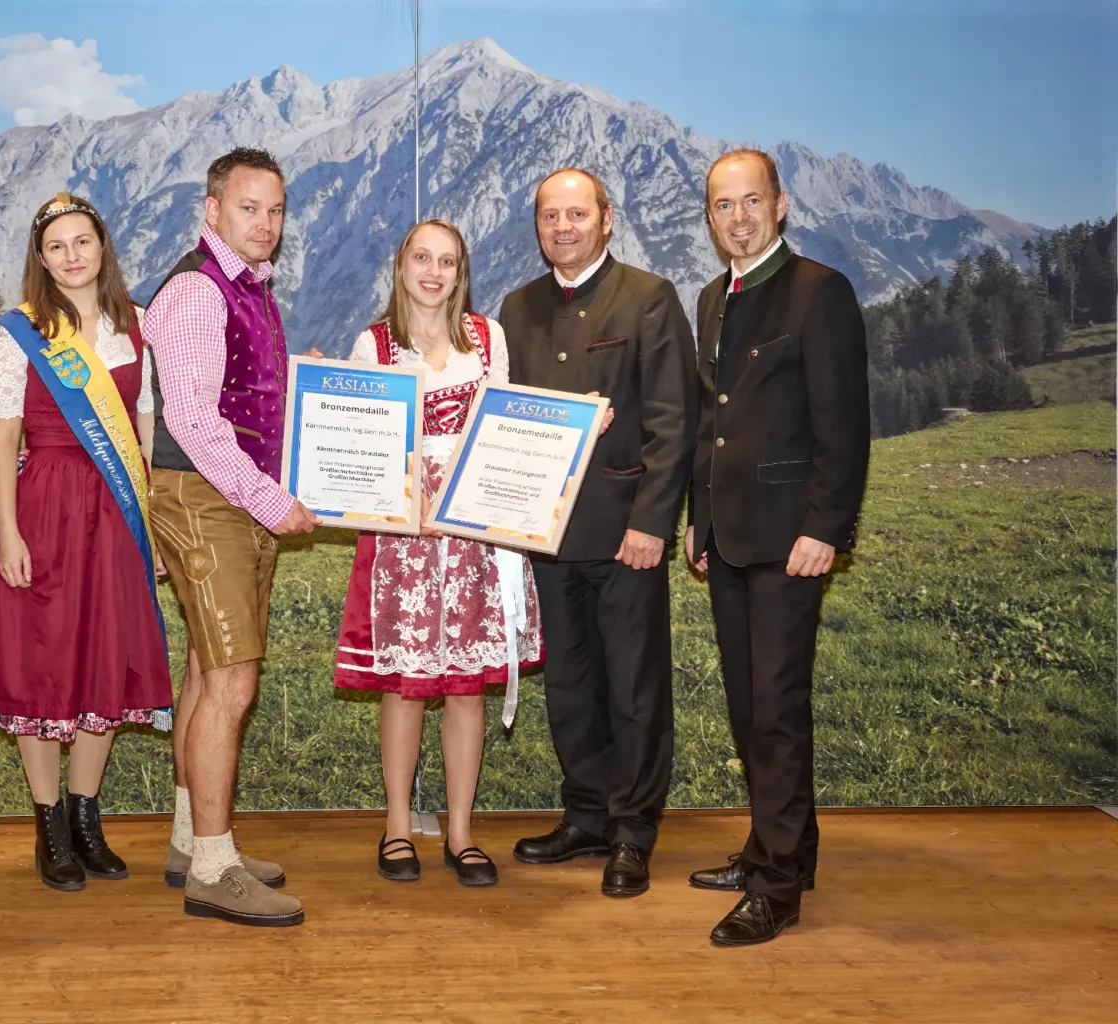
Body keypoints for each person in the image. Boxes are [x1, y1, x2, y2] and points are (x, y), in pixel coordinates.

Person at [684, 149, 870, 946]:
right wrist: (698, 514)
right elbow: (710, 418)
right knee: (748, 706)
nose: (738, 217)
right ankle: (777, 846)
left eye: (750, 201)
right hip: (726, 536)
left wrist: (825, 529)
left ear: (781, 203)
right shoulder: (710, 299)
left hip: (792, 539)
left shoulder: (819, 292)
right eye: (723, 206)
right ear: (710, 217)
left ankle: (776, 889)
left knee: (778, 711)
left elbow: (845, 425)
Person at [334, 220, 555, 886]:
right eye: (422, 258)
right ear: (400, 265)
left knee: (466, 689)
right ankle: (397, 825)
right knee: (403, 687)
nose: (434, 272)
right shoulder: (371, 345)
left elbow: (505, 431)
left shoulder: (487, 338)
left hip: (473, 534)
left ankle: (460, 831)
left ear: (462, 272)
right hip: (403, 534)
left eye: (448, 262)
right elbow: (358, 448)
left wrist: (570, 428)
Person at [500, 168, 696, 897]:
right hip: (547, 534)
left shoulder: (648, 297)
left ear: (606, 220)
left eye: (577, 214)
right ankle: (584, 814)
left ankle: (633, 831)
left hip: (624, 536)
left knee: (634, 686)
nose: (563, 227)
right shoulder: (516, 308)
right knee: (572, 685)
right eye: (550, 215)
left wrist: (652, 523)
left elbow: (675, 421)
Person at [0, 192, 173, 892]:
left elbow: (145, 434)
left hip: (117, 513)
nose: (71, 256)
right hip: (47, 507)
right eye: (56, 246)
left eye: (82, 241)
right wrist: (8, 533)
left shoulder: (137, 327)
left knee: (105, 660)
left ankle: (88, 820)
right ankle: (49, 824)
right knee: (43, 661)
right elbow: (1, 437)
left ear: (102, 247)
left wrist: (154, 525)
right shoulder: (16, 333)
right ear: (40, 257)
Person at [143, 147, 318, 927]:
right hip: (204, 496)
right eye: (249, 208)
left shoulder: (250, 291)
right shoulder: (194, 289)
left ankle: (192, 842)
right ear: (211, 210)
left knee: (204, 671)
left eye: (275, 210)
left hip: (231, 497)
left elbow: (245, 396)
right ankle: (214, 869)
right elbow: (190, 419)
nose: (266, 224)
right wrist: (267, 499)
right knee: (233, 684)